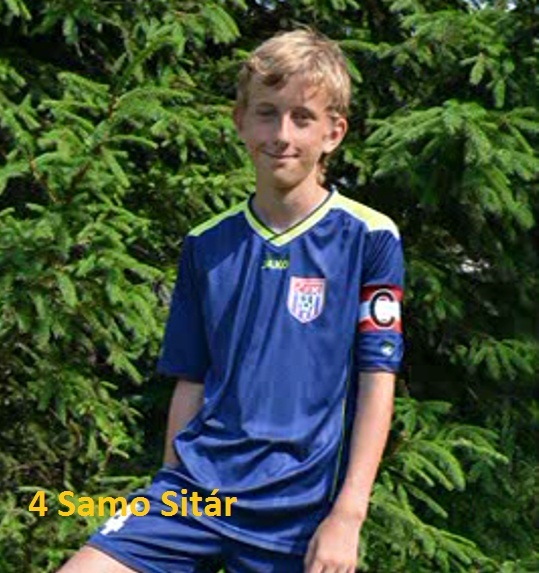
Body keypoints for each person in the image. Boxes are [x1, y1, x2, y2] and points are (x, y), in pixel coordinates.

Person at [58, 28, 404, 573]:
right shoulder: (206, 243)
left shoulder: (370, 236)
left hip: (299, 512)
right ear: (240, 121)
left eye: (302, 118)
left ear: (334, 132)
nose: (282, 134)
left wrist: (348, 514)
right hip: (195, 496)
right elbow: (191, 380)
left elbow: (376, 379)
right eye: (267, 114)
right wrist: (170, 487)